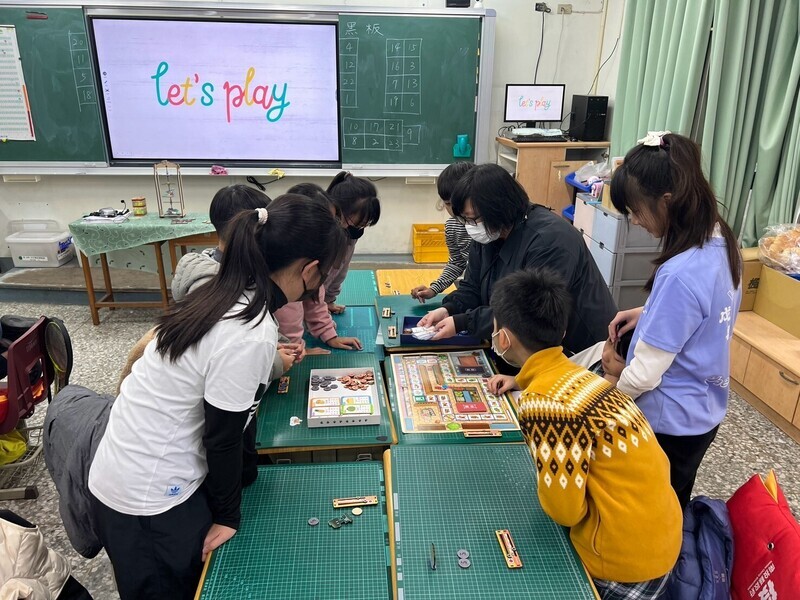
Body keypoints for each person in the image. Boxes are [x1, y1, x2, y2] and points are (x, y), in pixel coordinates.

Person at [88, 196, 347, 600]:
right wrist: (228, 515)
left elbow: (239, 412)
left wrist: (246, 478)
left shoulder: (229, 294)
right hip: (146, 496)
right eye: (324, 273)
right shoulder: (248, 331)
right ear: (309, 270)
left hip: (142, 469)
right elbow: (222, 435)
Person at [486, 269, 681, 599]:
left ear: (503, 339)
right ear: (561, 329)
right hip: (663, 541)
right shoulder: (584, 378)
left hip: (626, 566)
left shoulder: (543, 402)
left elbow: (565, 511)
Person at [604, 131, 743, 510]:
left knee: (650, 507)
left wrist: (608, 391)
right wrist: (648, 312)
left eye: (636, 211)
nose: (634, 221)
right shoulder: (721, 240)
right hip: (704, 411)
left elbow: (645, 374)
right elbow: (704, 311)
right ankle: (670, 558)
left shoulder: (679, 273)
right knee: (673, 498)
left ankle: (653, 567)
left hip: (668, 421)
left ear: (667, 200)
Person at [418, 163, 617, 357]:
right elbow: (472, 287)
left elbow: (528, 312)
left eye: (473, 219)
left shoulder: (549, 241)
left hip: (584, 352)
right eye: (465, 219)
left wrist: (463, 322)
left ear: (497, 208)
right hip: (530, 347)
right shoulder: (489, 232)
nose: (470, 226)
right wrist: (448, 309)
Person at [273, 182, 363, 352]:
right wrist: (298, 350)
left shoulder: (309, 254)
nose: (335, 226)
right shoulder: (285, 272)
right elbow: (288, 317)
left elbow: (315, 297)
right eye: (328, 221)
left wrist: (329, 335)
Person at [411, 162, 475, 302]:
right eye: (448, 203)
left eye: (458, 202)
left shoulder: (488, 228)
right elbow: (457, 262)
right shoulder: (452, 227)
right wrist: (434, 289)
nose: (454, 209)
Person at [323, 171, 381, 314]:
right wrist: (320, 317)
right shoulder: (323, 236)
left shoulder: (351, 231)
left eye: (365, 224)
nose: (361, 227)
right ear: (339, 210)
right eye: (358, 222)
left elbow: (340, 270)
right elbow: (312, 285)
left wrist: (328, 300)